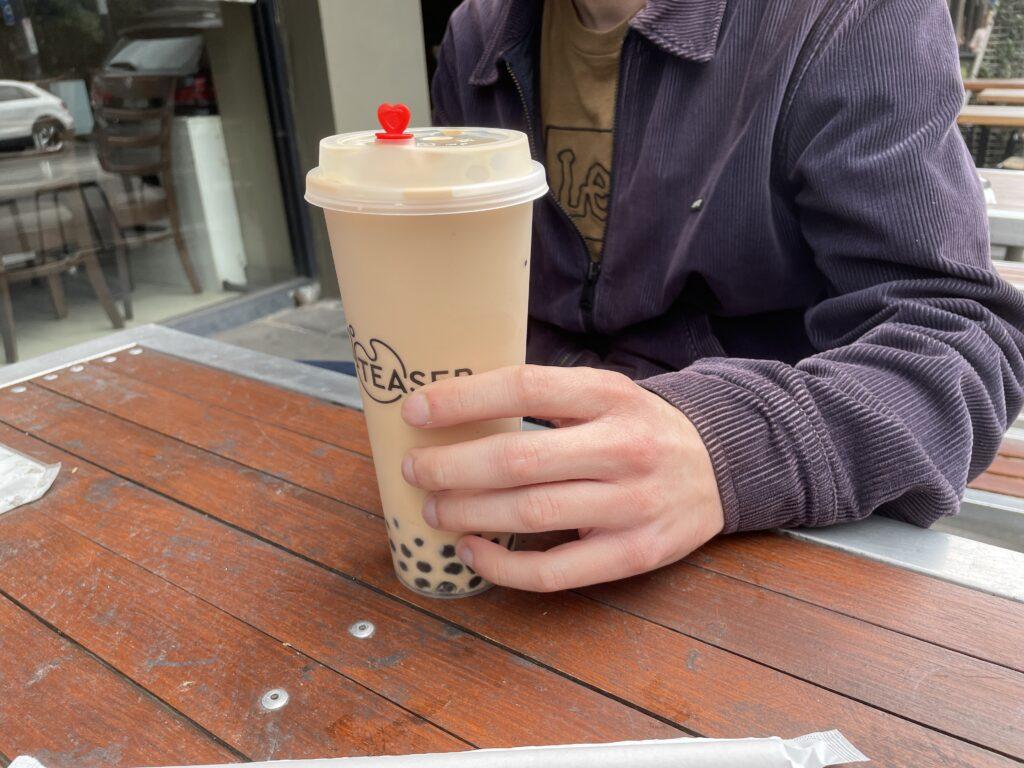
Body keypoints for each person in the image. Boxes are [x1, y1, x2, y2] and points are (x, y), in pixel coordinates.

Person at [397, 0, 1024, 592]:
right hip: (508, 483)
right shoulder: (477, 33)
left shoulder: (848, 16)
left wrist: (723, 448)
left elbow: (960, 337)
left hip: (765, 531)